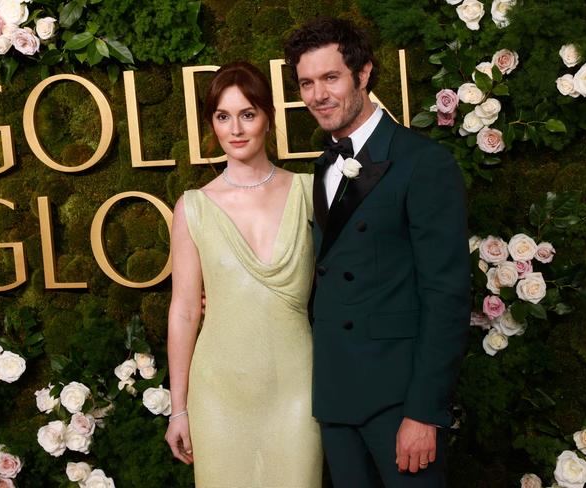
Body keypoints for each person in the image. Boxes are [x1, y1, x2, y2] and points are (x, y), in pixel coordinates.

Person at [284, 18, 471, 487]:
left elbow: (446, 295)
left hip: (398, 401)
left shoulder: (424, 162)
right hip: (334, 397)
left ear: (363, 74)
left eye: (331, 78)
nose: (317, 95)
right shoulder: (319, 166)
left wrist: (424, 412)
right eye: (307, 83)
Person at [164, 61, 322, 487]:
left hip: (297, 390)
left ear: (269, 117)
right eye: (223, 116)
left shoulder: (311, 192)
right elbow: (183, 312)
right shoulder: (192, 207)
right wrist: (179, 408)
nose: (235, 128)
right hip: (218, 395)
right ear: (211, 123)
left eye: (247, 114)